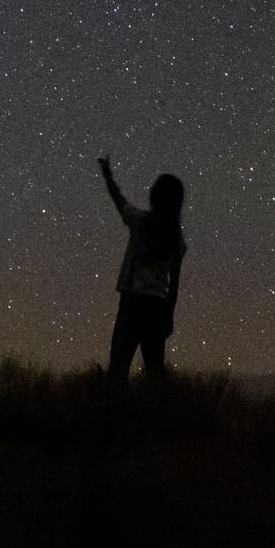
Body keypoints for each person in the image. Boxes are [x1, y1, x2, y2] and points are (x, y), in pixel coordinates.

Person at [97, 155, 185, 381]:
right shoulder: (176, 239)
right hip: (157, 306)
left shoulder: (140, 222)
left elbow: (119, 201)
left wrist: (108, 176)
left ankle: (117, 413)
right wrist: (169, 316)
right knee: (155, 374)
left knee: (118, 369)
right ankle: (155, 415)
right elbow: (173, 284)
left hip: (133, 302)